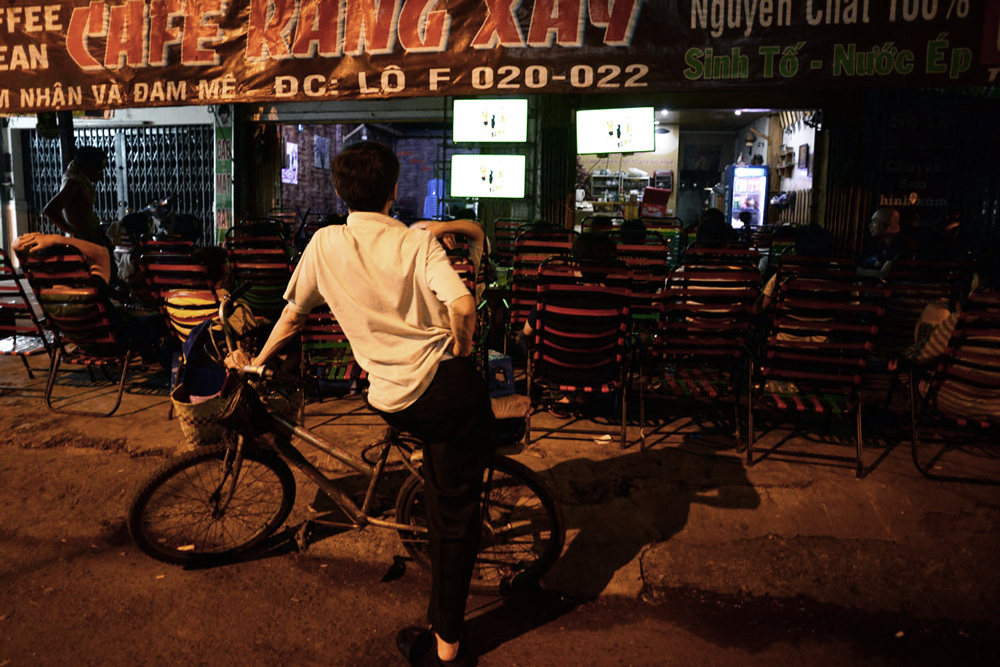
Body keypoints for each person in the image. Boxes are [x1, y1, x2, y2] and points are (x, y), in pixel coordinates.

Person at [233, 141, 491, 667]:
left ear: (340, 192)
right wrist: (462, 351)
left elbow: (292, 316)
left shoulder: (325, 243)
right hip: (446, 390)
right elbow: (464, 305)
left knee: (437, 473)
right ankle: (447, 647)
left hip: (390, 397)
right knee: (456, 517)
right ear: (394, 190)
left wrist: (257, 362)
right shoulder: (417, 244)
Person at [42, 146, 107, 246]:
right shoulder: (74, 184)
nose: (101, 175)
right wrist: (73, 233)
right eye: (98, 170)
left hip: (89, 237)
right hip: (83, 241)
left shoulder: (79, 181)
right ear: (86, 167)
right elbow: (49, 210)